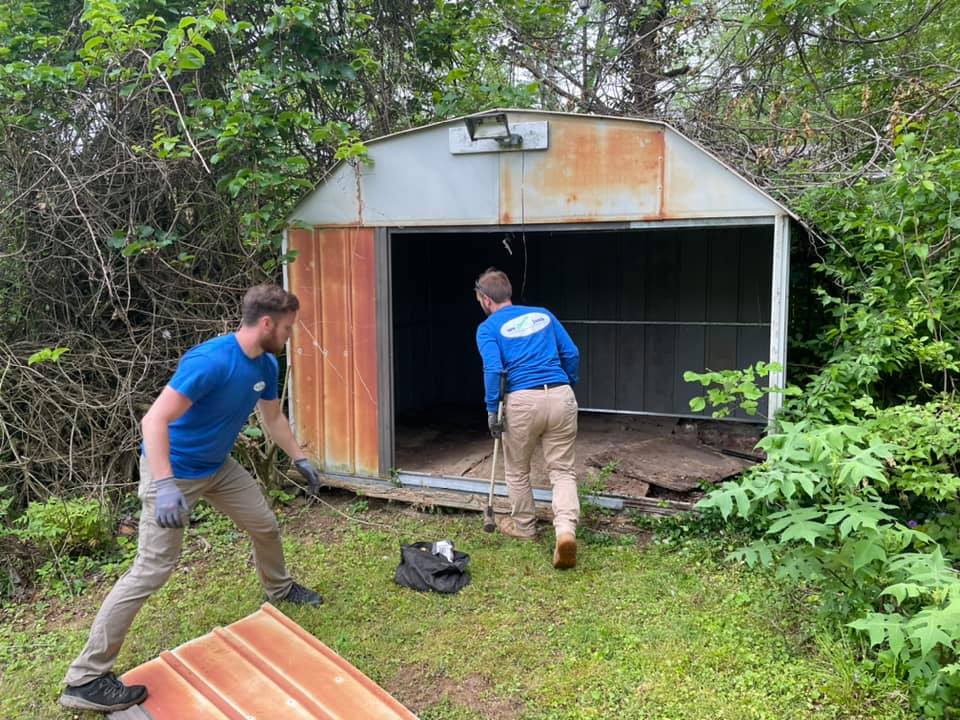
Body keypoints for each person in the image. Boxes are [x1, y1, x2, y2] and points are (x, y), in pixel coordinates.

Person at [59, 283, 324, 713]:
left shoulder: (268, 364)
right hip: (174, 472)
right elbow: (154, 420)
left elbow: (272, 417)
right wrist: (164, 485)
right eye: (289, 327)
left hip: (217, 466)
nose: (292, 334)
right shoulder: (211, 361)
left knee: (264, 524)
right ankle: (85, 678)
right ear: (267, 323)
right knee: (151, 570)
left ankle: (278, 587)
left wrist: (300, 457)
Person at [474, 268, 581, 569]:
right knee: (562, 471)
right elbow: (571, 353)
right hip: (560, 395)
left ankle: (524, 526)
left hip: (522, 401)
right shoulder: (543, 315)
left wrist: (492, 409)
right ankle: (565, 531)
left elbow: (494, 370)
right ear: (507, 293)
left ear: (485, 299)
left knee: (518, 470)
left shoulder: (487, 328)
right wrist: (567, 383)